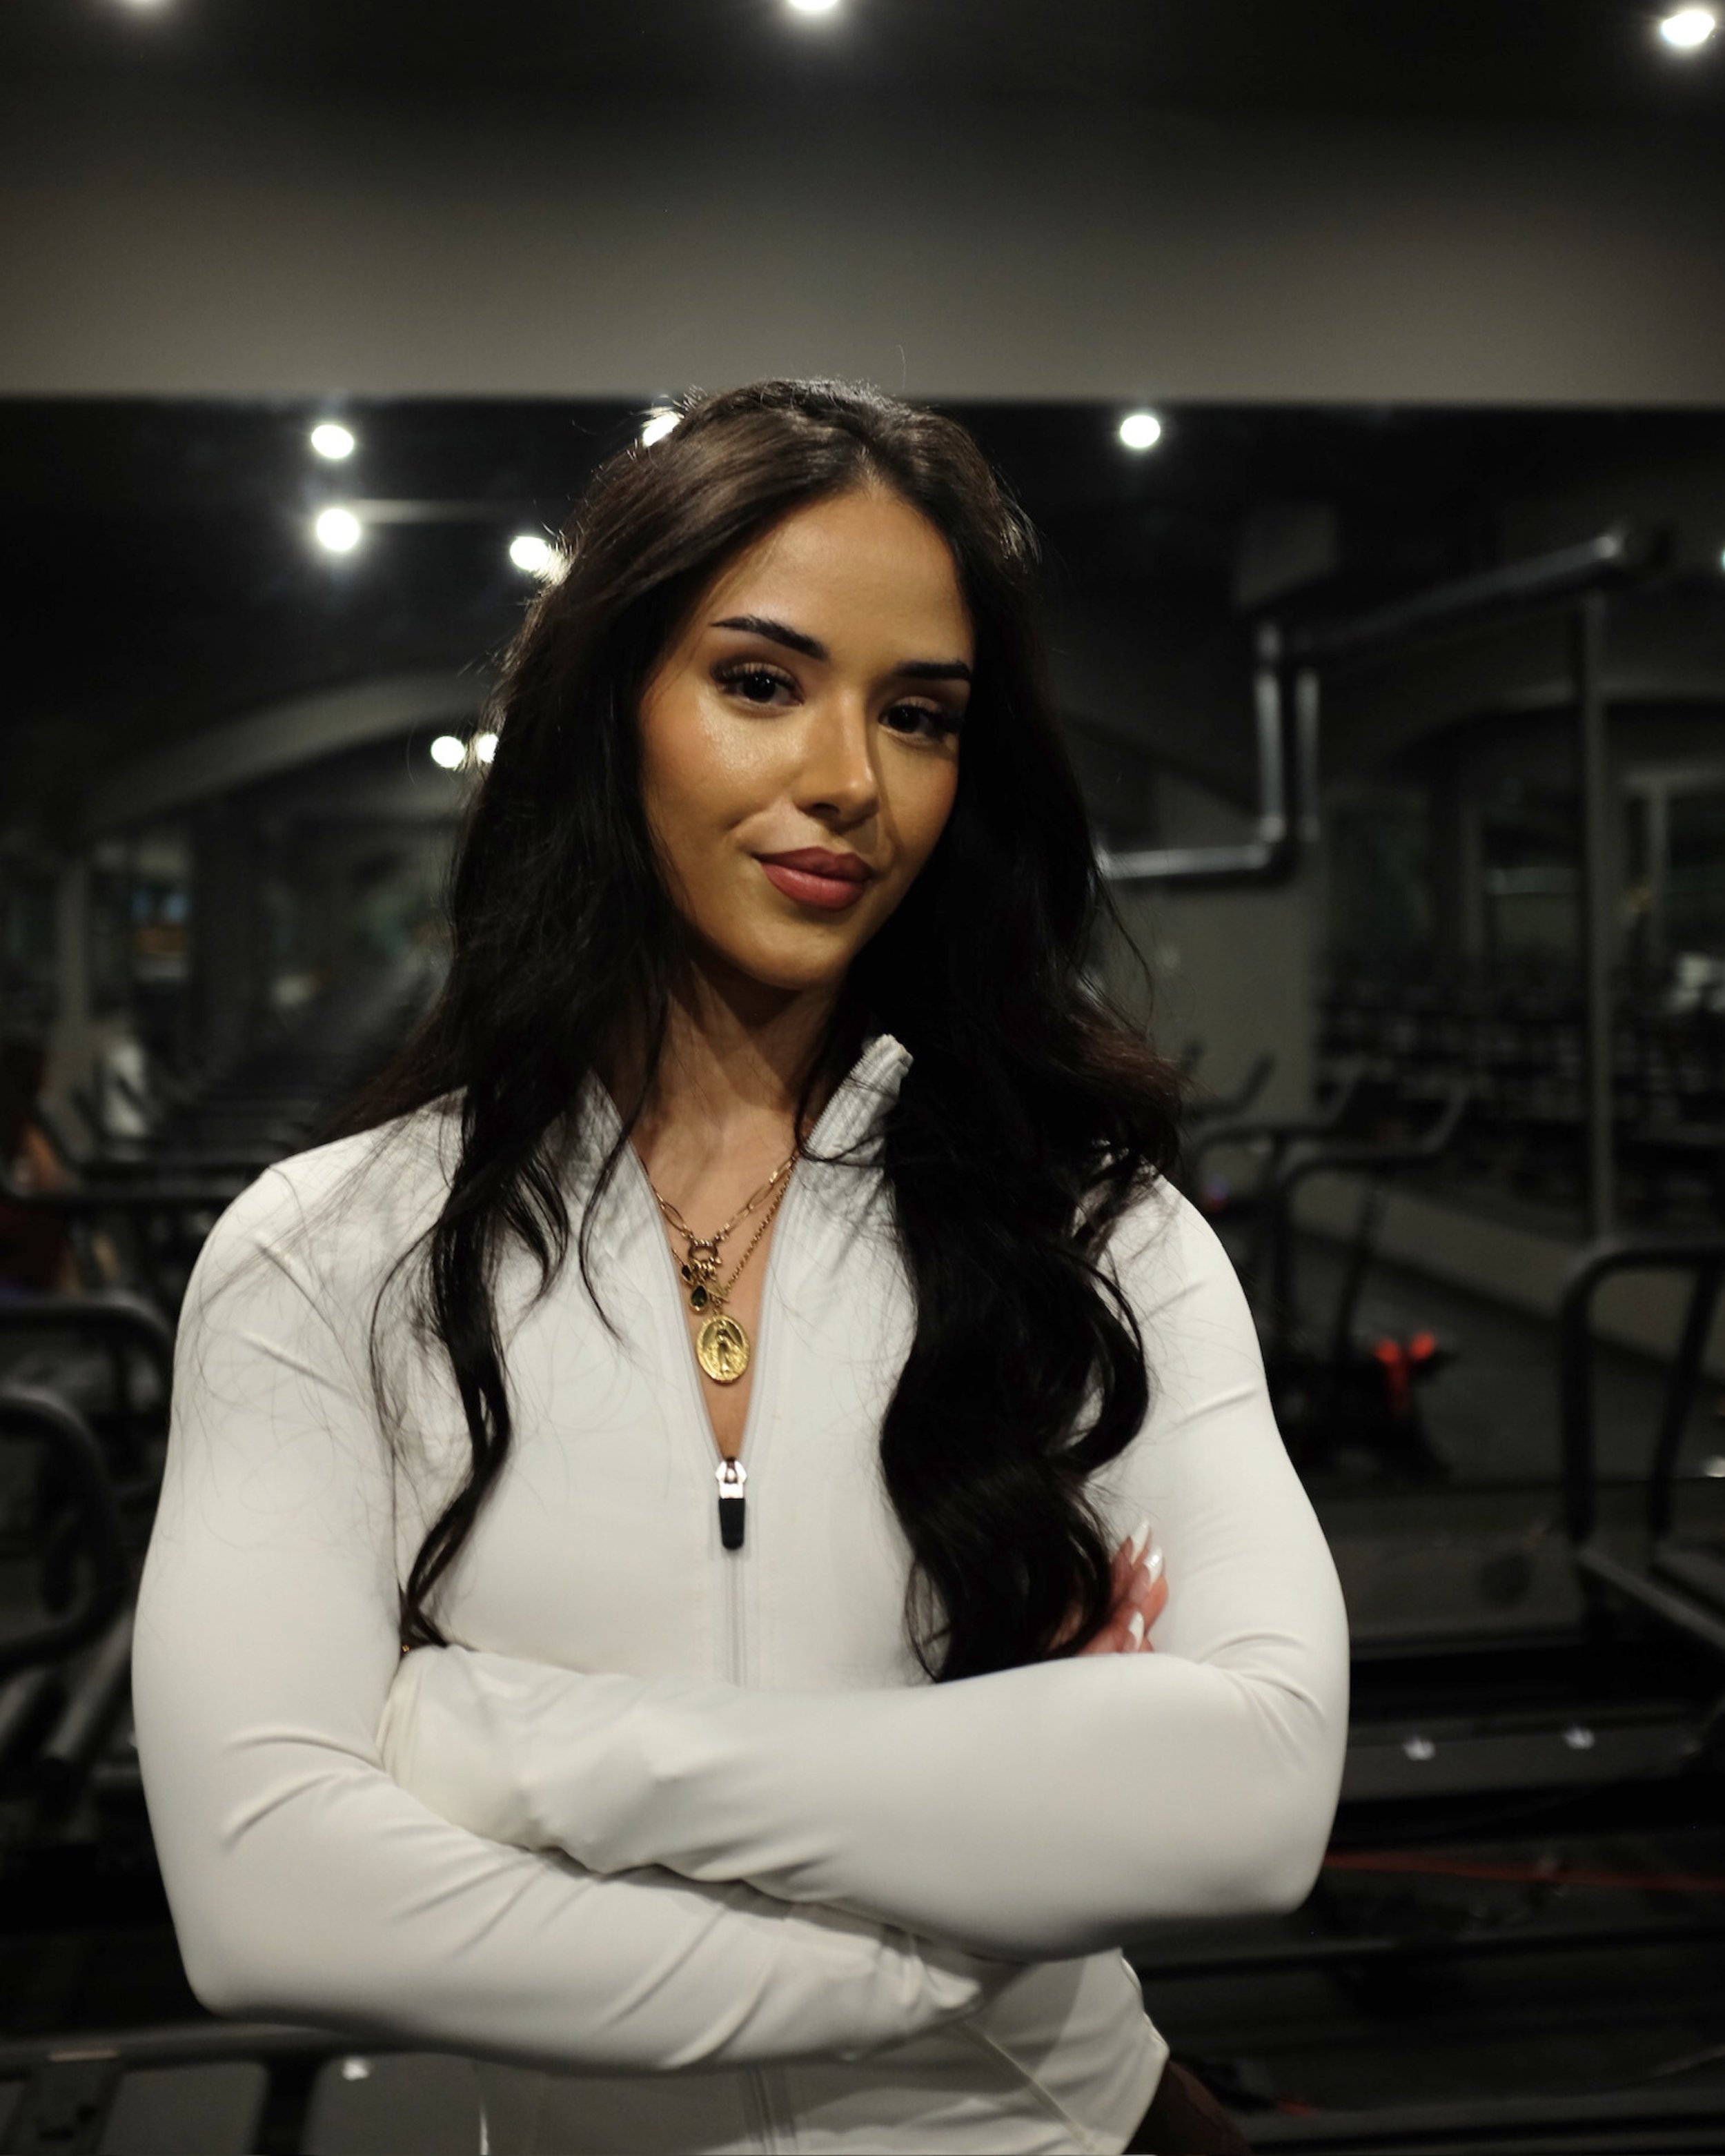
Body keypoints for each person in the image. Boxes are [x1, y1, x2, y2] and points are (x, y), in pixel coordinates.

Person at [133, 379, 1350, 2155]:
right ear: (608, 711)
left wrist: (513, 1745)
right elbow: (270, 1901)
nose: (850, 780)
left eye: (917, 716)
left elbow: (1254, 1797)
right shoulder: (331, 1257)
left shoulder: (1096, 1232)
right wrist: (921, 1958)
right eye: (761, 683)